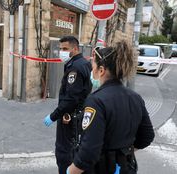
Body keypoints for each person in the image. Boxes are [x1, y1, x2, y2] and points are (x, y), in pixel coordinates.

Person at [67, 41, 155, 174]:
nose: (92, 71)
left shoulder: (96, 101)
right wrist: (123, 152)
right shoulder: (135, 97)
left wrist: (70, 171)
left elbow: (88, 153)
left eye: (93, 67)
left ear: (101, 70)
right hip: (126, 167)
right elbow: (147, 136)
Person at [43, 36, 92, 174]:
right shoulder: (83, 63)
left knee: (65, 153)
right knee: (75, 148)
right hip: (79, 115)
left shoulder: (75, 68)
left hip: (70, 118)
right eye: (60, 49)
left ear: (75, 48)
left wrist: (53, 116)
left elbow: (70, 99)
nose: (61, 52)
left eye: (65, 49)